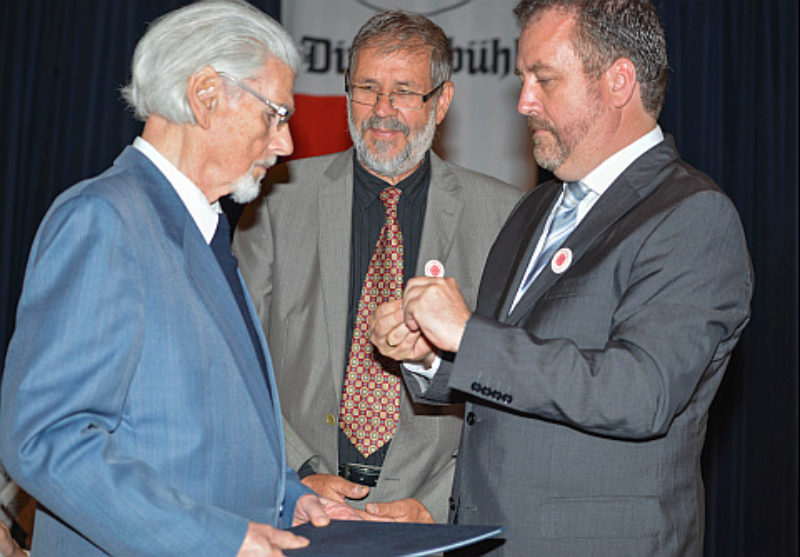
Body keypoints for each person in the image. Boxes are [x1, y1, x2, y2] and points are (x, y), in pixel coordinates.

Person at [369, 0, 753, 554]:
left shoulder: (691, 216)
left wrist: (467, 334)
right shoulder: (533, 209)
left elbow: (639, 392)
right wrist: (428, 355)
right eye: (523, 78)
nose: (524, 102)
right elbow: (506, 375)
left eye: (543, 79)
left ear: (619, 81)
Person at [0, 1, 368, 555]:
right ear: (205, 95)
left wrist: (290, 498)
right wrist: (216, 538)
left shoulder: (202, 230)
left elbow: (201, 437)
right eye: (275, 114)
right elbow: (46, 441)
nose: (286, 144)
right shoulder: (104, 220)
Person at [232, 11, 521, 523]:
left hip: (429, 520)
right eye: (367, 88)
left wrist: (433, 507)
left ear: (443, 101)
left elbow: (511, 388)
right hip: (302, 509)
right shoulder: (278, 197)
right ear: (347, 92)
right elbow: (233, 359)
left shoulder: (502, 216)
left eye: (405, 92)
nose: (382, 111)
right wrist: (293, 475)